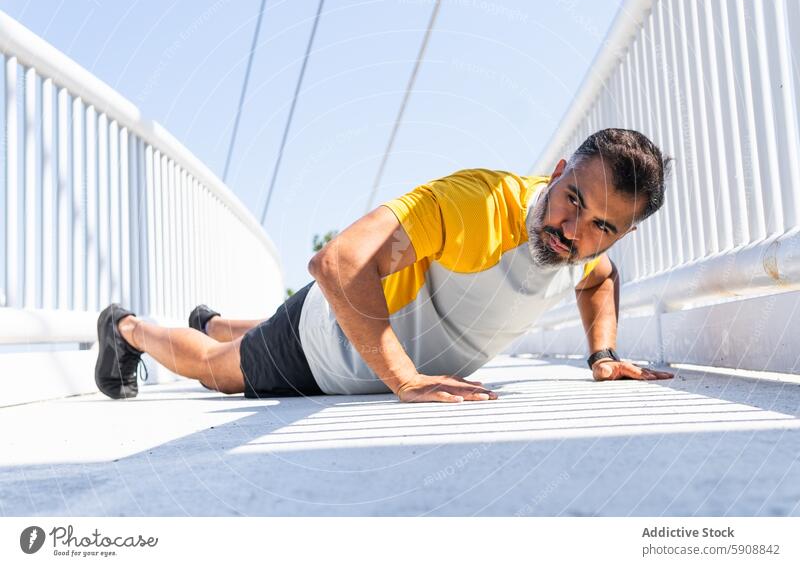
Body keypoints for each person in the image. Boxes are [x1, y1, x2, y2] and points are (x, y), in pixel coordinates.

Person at [94, 128, 674, 404]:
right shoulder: (478, 206)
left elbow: (599, 279)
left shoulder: (581, 252)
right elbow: (337, 261)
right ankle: (127, 329)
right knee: (215, 370)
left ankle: (217, 318)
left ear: (620, 233)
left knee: (238, 334)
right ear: (556, 173)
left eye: (603, 225)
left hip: (366, 331)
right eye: (573, 199)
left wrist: (603, 355)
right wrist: (405, 379)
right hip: (326, 346)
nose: (574, 232)